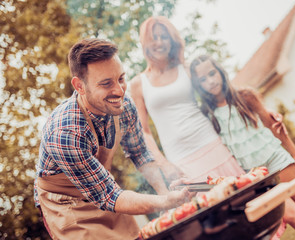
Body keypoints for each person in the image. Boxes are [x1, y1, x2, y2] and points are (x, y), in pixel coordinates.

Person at [33, 38, 193, 240]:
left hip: (103, 187)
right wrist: (164, 202)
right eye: (106, 83)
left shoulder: (124, 106)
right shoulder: (65, 133)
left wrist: (165, 195)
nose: (119, 90)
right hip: (67, 205)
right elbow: (109, 196)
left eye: (121, 78)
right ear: (79, 86)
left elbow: (140, 154)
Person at [189, 54, 295, 240]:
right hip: (255, 176)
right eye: (202, 79)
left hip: (276, 160)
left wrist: (294, 152)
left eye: (212, 74)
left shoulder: (245, 96)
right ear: (198, 85)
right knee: (291, 216)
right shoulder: (207, 115)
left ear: (220, 72)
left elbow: (273, 125)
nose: (210, 81)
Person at [130, 16, 245, 184]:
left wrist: (258, 109)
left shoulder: (186, 69)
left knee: (242, 194)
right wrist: (164, 164)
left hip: (212, 144)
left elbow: (221, 93)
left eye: (164, 37)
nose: (160, 42)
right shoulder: (138, 84)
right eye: (154, 38)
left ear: (172, 41)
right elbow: (144, 132)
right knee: (210, 206)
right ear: (145, 43)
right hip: (179, 159)